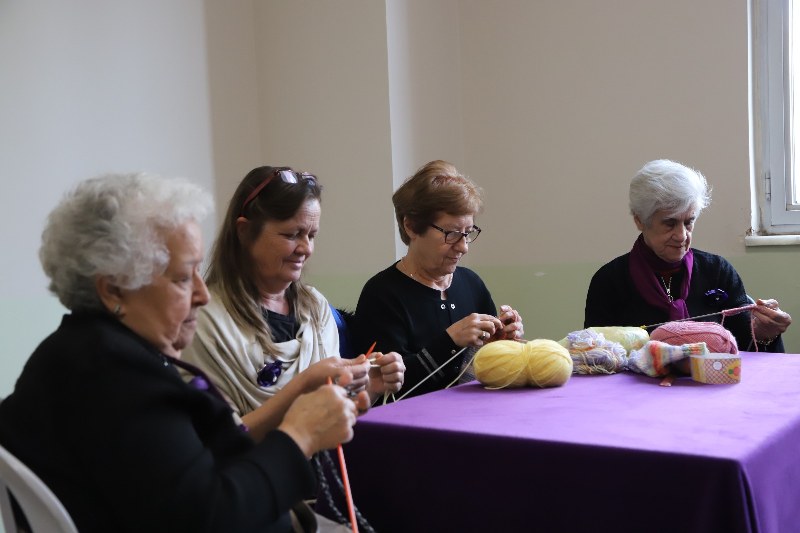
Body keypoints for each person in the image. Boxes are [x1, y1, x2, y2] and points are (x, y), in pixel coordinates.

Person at [0, 173, 365, 533]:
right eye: (182, 277)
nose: (202, 295)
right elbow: (212, 519)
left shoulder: (84, 354)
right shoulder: (113, 376)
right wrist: (299, 436)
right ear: (114, 290)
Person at [181, 165, 405, 427]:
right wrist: (303, 386)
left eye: (312, 235)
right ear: (245, 232)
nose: (306, 248)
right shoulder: (204, 322)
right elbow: (221, 439)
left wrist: (370, 387)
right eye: (292, 235)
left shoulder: (316, 307)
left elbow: (328, 416)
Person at [354, 160, 525, 399]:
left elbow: (486, 370)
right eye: (452, 233)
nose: (464, 247)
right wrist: (450, 341)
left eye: (468, 233)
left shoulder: (472, 283)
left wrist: (501, 343)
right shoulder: (382, 294)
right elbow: (386, 391)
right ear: (411, 226)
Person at [584, 159, 792, 353]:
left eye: (688, 222)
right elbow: (596, 358)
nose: (682, 235)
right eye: (669, 223)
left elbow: (746, 351)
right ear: (640, 221)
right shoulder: (609, 281)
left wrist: (765, 334)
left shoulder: (718, 271)